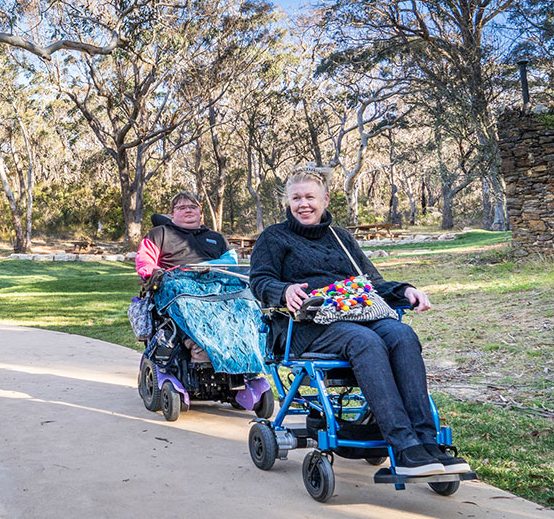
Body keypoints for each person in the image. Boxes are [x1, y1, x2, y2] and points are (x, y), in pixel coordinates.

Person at [249, 167, 470, 477]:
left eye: (310, 197)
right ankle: (404, 446)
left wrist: (405, 290)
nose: (303, 204)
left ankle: (427, 443)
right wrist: (284, 290)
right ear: (288, 201)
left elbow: (371, 282)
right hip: (305, 326)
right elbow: (258, 280)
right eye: (296, 198)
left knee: (401, 334)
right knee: (364, 341)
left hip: (357, 314)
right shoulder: (274, 237)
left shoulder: (341, 238)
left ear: (325, 200)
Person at [136, 191, 229, 362]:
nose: (188, 210)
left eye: (193, 207)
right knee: (184, 295)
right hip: (176, 287)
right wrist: (154, 273)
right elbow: (144, 260)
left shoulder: (217, 238)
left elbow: (231, 263)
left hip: (214, 286)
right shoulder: (159, 234)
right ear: (172, 214)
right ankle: (198, 345)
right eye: (182, 207)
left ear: (200, 213)